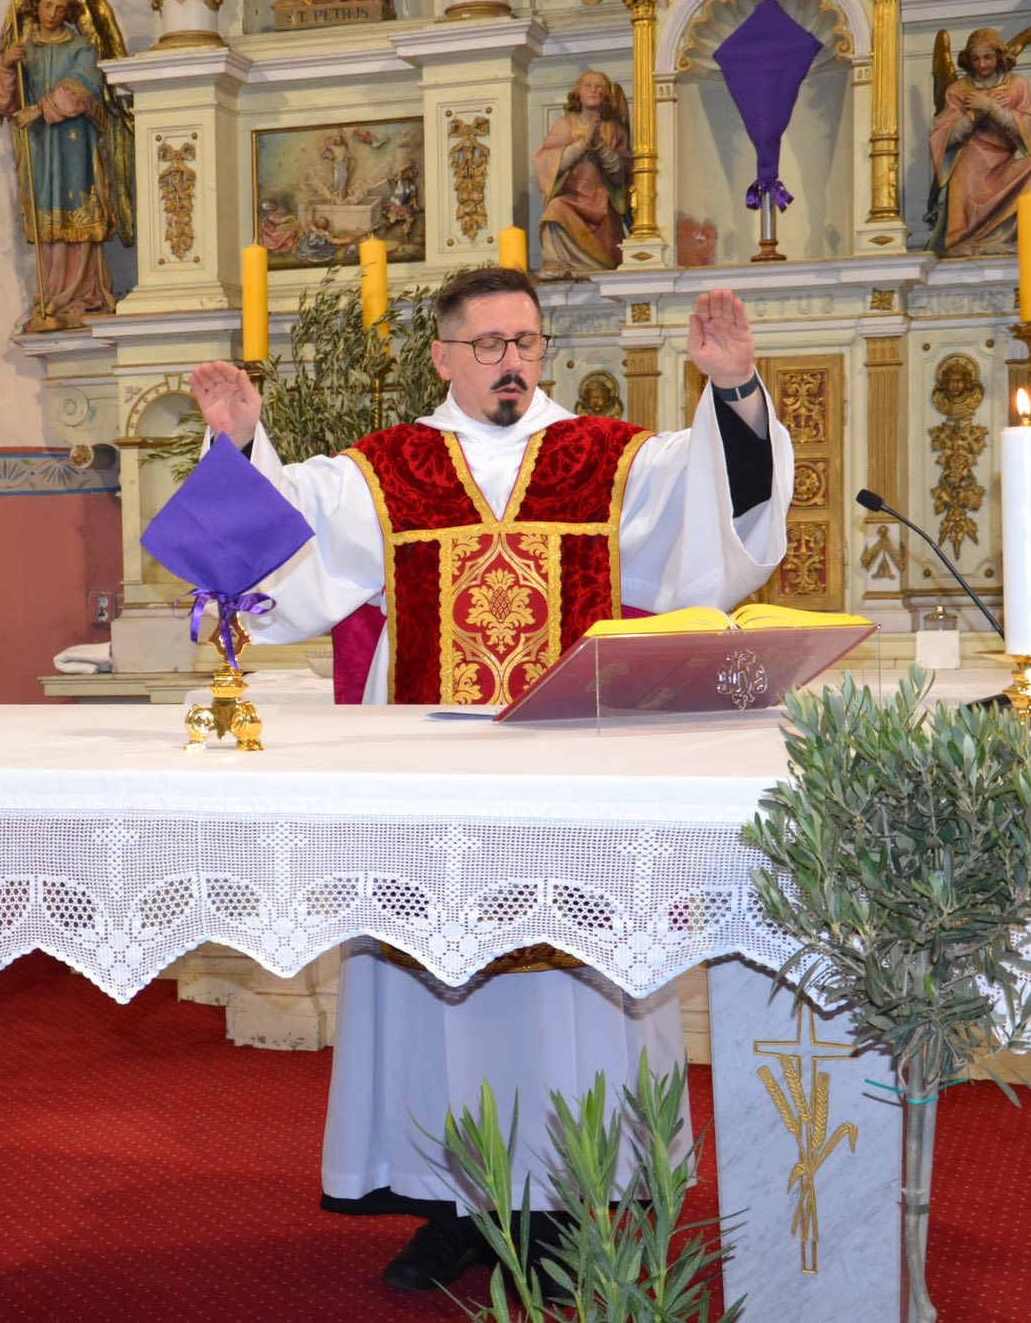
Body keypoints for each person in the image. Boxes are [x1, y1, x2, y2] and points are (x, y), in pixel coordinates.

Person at [188, 267, 791, 1291]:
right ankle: (450, 1210)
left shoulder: (608, 460)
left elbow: (719, 523)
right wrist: (243, 444)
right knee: (440, 1003)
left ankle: (569, 1206)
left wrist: (733, 392)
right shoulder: (389, 470)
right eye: (489, 345)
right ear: (443, 356)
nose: (512, 362)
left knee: (570, 1005)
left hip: (571, 794)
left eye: (527, 343)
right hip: (434, 797)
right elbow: (277, 554)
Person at [0, 0, 128, 332]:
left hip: (75, 147)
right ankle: (52, 295)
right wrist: (6, 64)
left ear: (69, 13)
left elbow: (83, 86)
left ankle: (84, 295)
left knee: (77, 210)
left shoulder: (81, 47)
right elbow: (4, 102)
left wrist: (38, 110)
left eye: (60, 8)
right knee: (46, 215)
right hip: (40, 149)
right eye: (47, 5)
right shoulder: (25, 49)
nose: (52, 13)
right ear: (35, 6)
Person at [926, 27, 1031, 256]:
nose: (982, 64)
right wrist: (974, 115)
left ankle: (1021, 237)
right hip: (970, 166)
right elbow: (944, 137)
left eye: (988, 57)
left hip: (1003, 165)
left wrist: (993, 109)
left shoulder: (1017, 85)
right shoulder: (958, 90)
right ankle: (968, 238)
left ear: (999, 56)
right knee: (964, 181)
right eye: (975, 59)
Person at [534, 69, 633, 278]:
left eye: (599, 87)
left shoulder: (615, 130)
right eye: (588, 86)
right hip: (572, 200)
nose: (593, 90)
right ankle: (555, 264)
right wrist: (583, 143)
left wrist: (599, 144)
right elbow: (549, 163)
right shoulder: (565, 125)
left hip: (602, 205)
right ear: (578, 92)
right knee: (554, 209)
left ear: (607, 95)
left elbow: (620, 173)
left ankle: (596, 263)